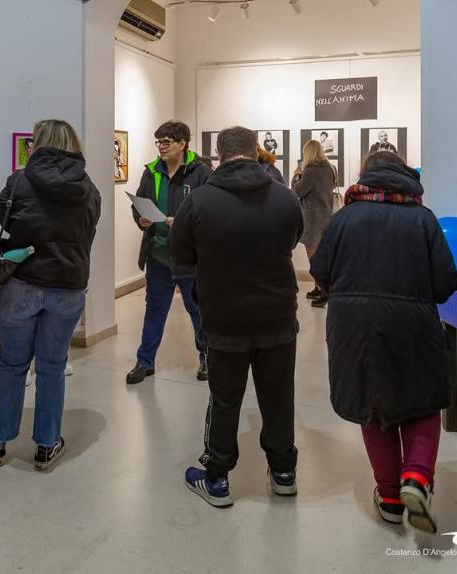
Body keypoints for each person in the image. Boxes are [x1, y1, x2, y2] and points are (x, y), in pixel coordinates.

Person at [309, 151, 457, 533]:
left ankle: (390, 497)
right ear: (404, 176)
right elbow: (443, 285)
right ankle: (418, 478)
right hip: (412, 321)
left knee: (370, 405)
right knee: (422, 399)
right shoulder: (422, 218)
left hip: (351, 324)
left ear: (364, 175)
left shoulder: (344, 218)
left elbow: (320, 273)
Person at [171, 126, 304, 507]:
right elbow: (293, 239)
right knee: (279, 396)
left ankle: (217, 479)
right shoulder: (286, 198)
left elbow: (183, 258)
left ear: (219, 156)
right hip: (278, 317)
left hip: (224, 317)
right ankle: (283, 473)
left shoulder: (198, 202)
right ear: (255, 152)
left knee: (224, 399)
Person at [0, 119, 101, 471]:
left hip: (22, 282)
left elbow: (4, 219)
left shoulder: (19, 180)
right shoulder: (89, 188)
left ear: (39, 143)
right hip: (68, 286)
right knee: (51, 367)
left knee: (12, 365)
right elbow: (89, 231)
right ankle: (47, 445)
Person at [127, 120, 212, 385]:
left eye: (167, 142)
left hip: (189, 258)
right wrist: (140, 218)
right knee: (155, 309)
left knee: (197, 309)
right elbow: (140, 204)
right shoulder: (151, 172)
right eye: (159, 142)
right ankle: (145, 361)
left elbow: (210, 211)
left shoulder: (201, 173)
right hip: (158, 256)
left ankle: (207, 358)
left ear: (183, 143)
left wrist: (184, 223)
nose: (161, 147)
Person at [292, 139, 337, 308]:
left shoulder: (310, 172)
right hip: (326, 215)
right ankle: (318, 287)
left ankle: (324, 290)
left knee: (314, 257)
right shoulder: (331, 169)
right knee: (321, 255)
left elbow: (297, 191)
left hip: (312, 218)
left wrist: (296, 175)